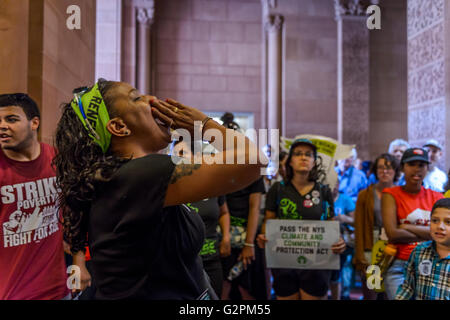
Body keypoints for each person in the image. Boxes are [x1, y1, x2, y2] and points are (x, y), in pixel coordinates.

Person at [53, 79, 266, 300]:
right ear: (119, 127)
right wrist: (204, 125)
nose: (153, 100)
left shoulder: (127, 177)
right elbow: (254, 160)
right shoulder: (137, 175)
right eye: (137, 98)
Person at [257, 139, 346, 300]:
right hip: (284, 261)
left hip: (318, 263)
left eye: (308, 155)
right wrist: (264, 236)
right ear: (290, 161)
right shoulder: (278, 189)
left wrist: (339, 241)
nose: (303, 158)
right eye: (298, 154)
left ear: (314, 162)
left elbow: (331, 225)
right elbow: (268, 223)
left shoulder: (324, 191)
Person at [0, 93, 68, 299]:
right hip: (11, 292)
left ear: (34, 123)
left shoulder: (57, 159)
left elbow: (72, 217)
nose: (2, 126)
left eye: (11, 119)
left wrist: (80, 265)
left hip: (58, 290)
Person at [381, 148, 443, 299]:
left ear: (427, 168)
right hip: (399, 265)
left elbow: (441, 234)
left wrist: (406, 227)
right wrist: (428, 233)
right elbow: (393, 233)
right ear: (402, 167)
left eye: (421, 165)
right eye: (412, 164)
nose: (417, 169)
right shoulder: (391, 195)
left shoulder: (436, 196)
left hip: (431, 263)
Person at [172, 139, 232, 297]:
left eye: (182, 153)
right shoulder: (171, 189)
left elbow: (224, 212)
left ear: (196, 156)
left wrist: (226, 237)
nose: (177, 159)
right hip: (183, 264)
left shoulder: (212, 185)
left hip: (212, 258)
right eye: (174, 155)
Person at [353, 153, 400, 300]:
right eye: (380, 168)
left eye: (389, 168)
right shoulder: (365, 195)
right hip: (371, 245)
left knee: (390, 290)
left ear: (396, 171)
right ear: (375, 170)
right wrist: (360, 256)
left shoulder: (401, 194)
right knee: (372, 289)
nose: (384, 171)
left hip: (394, 245)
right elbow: (359, 227)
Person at [395, 198, 450, 300]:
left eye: (448, 222)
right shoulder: (419, 251)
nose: (440, 226)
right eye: (435, 220)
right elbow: (408, 287)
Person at [330, 179, 356, 300]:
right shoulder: (321, 199)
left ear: (338, 185)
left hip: (343, 243)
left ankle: (343, 294)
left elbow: (356, 221)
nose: (333, 188)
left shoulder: (346, 200)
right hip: (325, 242)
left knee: (340, 271)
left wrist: (344, 218)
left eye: (335, 185)